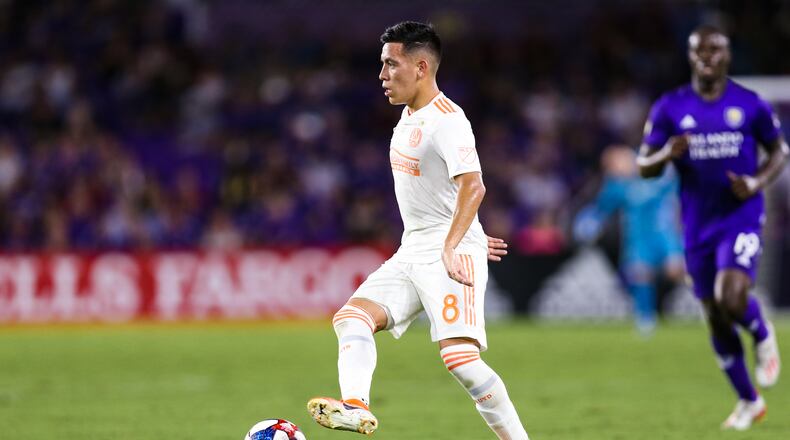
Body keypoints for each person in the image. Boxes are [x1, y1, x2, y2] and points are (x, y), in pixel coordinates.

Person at [306, 21, 529, 439]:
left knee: (460, 360)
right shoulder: (409, 117)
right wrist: (463, 230)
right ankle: (355, 406)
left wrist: (456, 242)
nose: (382, 75)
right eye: (382, 65)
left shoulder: (448, 121)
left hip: (450, 252)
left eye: (391, 65)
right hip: (415, 249)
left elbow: (474, 184)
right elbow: (445, 193)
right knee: (352, 318)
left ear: (421, 67)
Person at [637, 25, 788, 430]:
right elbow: (643, 166)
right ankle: (749, 401)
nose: (707, 57)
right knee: (715, 315)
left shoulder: (750, 104)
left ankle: (761, 332)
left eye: (715, 50)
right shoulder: (670, 107)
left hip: (741, 216)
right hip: (697, 224)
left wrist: (756, 181)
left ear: (727, 56)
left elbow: (780, 151)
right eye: (699, 51)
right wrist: (667, 152)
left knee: (731, 296)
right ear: (690, 57)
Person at [574, 144, 685, 334]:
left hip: (664, 235)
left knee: (677, 271)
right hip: (638, 239)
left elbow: (678, 185)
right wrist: (589, 223)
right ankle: (646, 321)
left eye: (614, 164)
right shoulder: (617, 186)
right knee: (639, 274)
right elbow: (601, 208)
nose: (613, 170)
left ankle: (712, 305)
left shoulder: (657, 171)